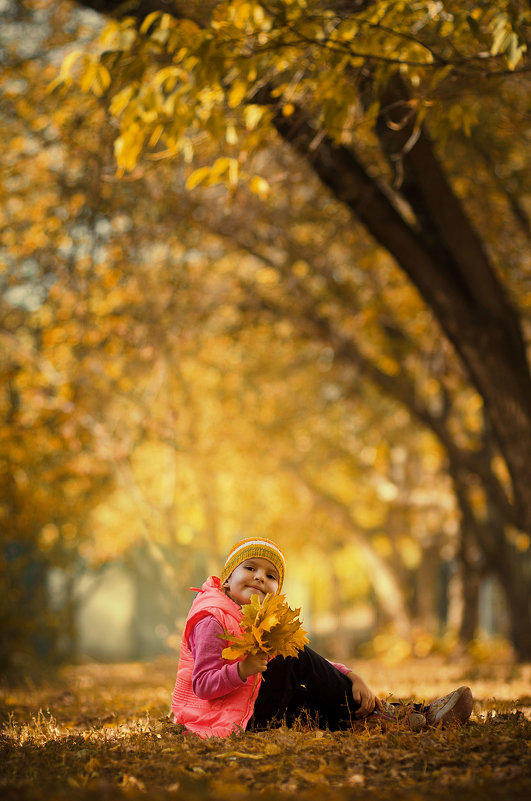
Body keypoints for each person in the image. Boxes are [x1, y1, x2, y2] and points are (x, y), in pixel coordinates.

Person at [170, 537, 473, 738]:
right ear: (227, 579)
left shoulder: (256, 617)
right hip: (227, 718)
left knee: (314, 704)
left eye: (271, 575)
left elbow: (316, 668)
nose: (260, 577)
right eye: (250, 568)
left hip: (252, 706)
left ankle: (407, 719)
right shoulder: (213, 618)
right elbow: (203, 685)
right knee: (292, 654)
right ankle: (399, 715)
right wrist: (241, 670)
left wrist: (351, 675)